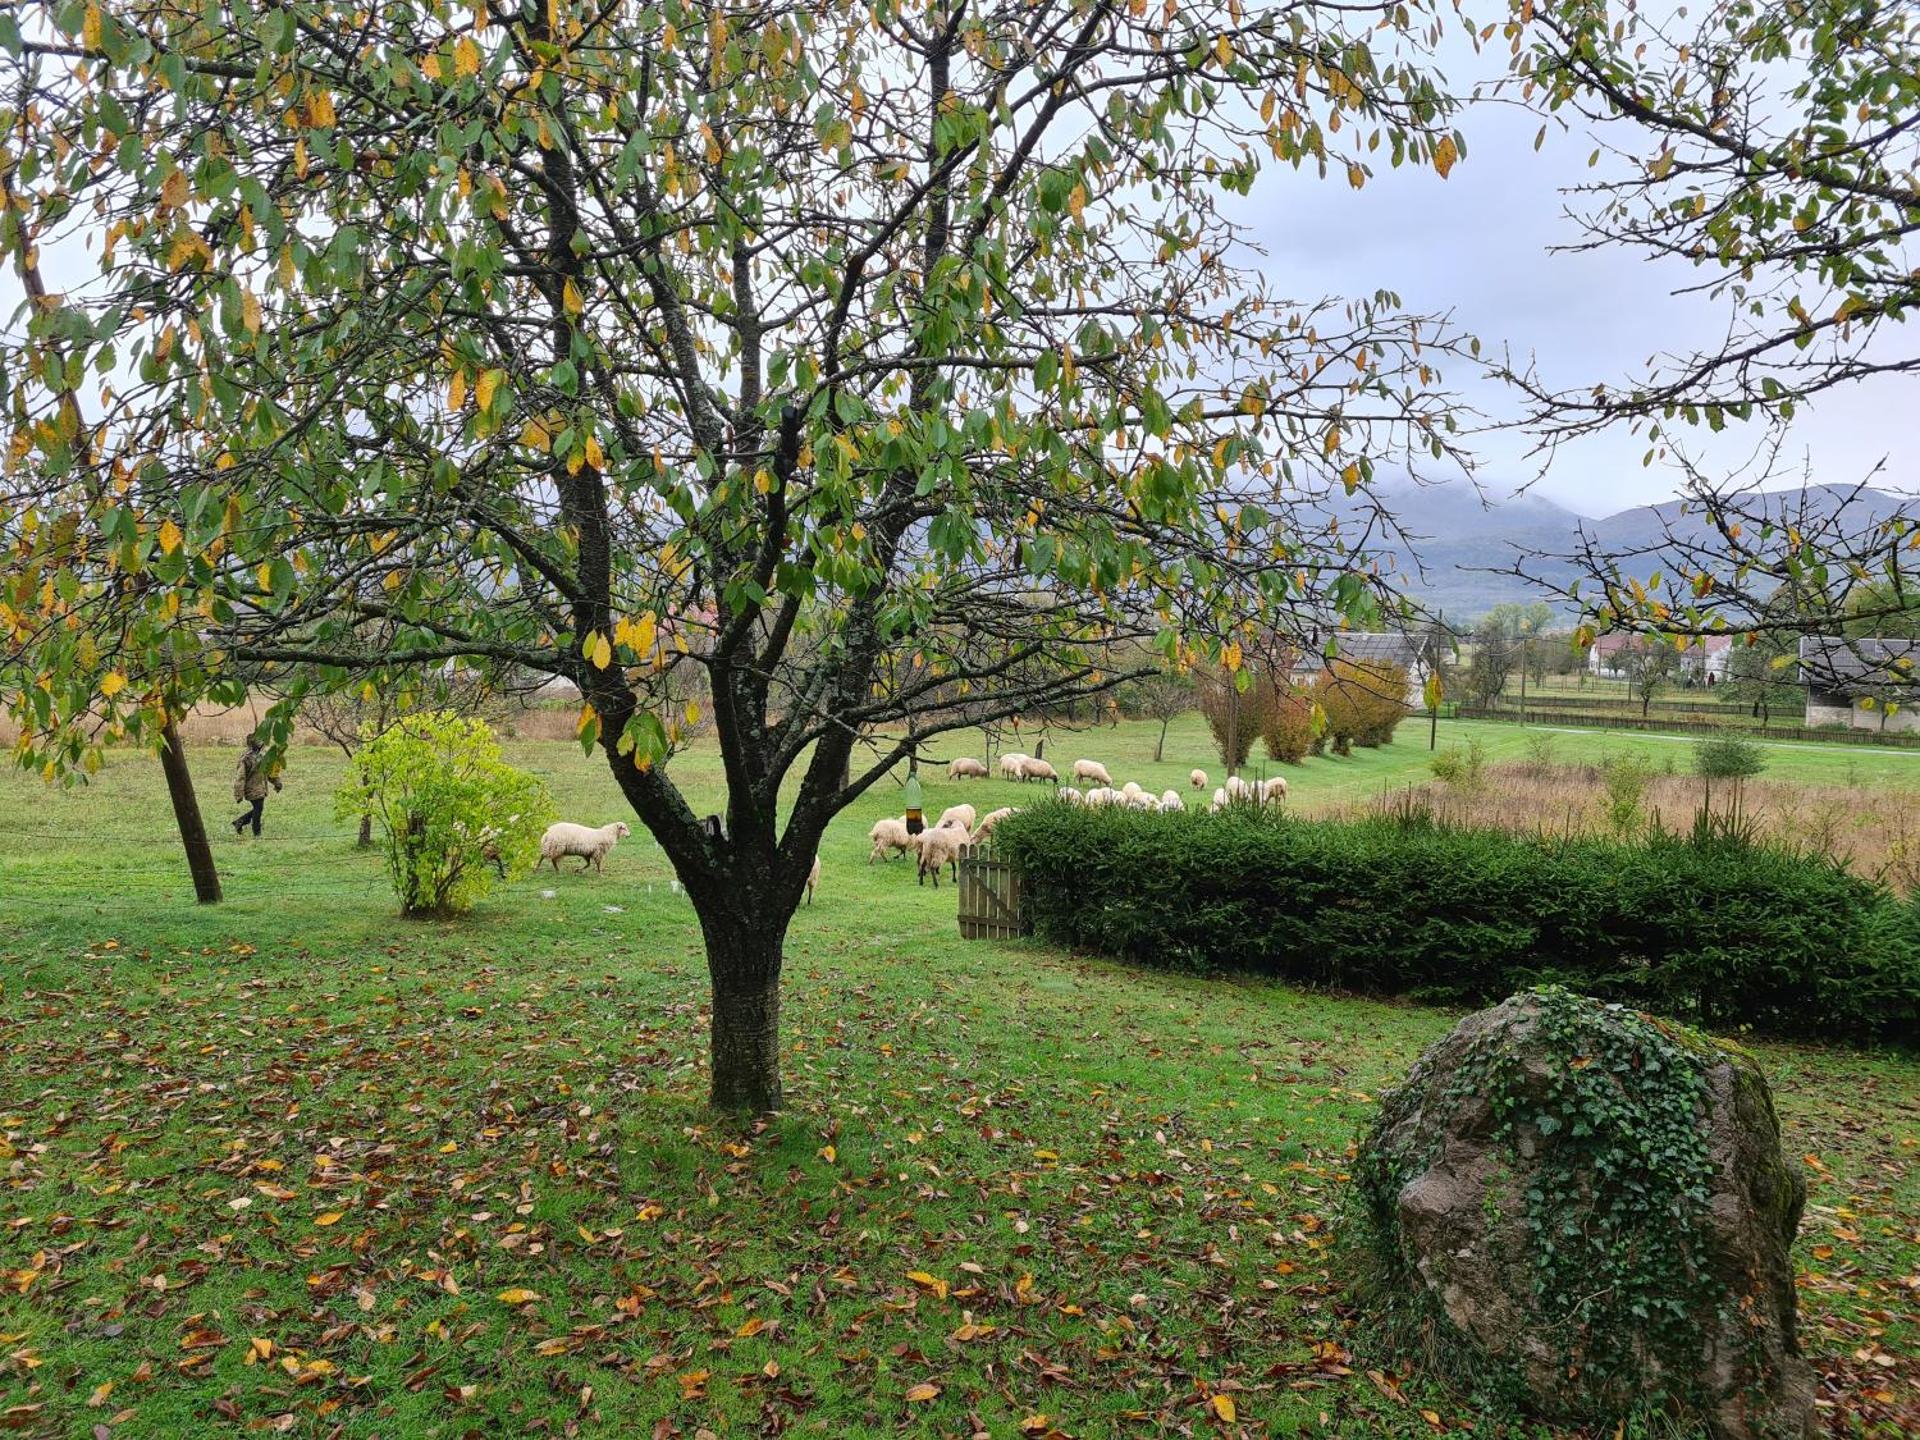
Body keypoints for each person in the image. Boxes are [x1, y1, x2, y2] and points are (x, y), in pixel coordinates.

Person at [232, 733, 282, 837]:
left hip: (260, 788)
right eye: (258, 741)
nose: (260, 743)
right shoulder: (246, 759)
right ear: (251, 743)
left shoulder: (263, 756)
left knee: (258, 809)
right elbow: (240, 778)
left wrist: (277, 783)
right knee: (258, 810)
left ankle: (239, 822)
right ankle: (257, 833)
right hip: (251, 788)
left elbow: (269, 772)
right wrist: (238, 794)